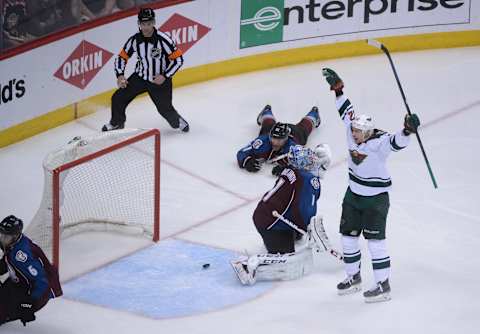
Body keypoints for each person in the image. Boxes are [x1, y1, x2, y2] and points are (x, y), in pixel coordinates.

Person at [322, 68, 421, 303]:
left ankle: (382, 285)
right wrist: (338, 90)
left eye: (358, 132)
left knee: (376, 243)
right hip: (353, 195)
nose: (354, 134)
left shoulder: (380, 141)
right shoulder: (351, 130)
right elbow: (346, 111)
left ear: (367, 132)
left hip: (375, 199)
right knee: (347, 238)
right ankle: (353, 277)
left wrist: (407, 129)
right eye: (354, 130)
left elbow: (396, 141)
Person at [231, 144, 334, 285]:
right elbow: (305, 211)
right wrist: (309, 229)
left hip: (266, 214)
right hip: (271, 223)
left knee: (298, 237)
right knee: (288, 262)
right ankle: (248, 264)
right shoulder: (309, 179)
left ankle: (287, 238)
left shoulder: (292, 170)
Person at [102, 7, 189, 132]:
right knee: (117, 98)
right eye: (143, 24)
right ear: (139, 24)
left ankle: (178, 121)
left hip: (159, 81)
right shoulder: (134, 40)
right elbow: (122, 57)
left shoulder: (164, 40)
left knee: (165, 110)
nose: (146, 27)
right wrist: (120, 75)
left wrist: (164, 76)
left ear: (154, 23)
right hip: (140, 78)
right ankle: (117, 123)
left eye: (149, 24)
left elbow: (178, 60)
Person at [0, 215, 62, 326]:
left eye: (6, 237)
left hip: (36, 292)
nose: (2, 239)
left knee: (4, 310)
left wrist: (29, 304)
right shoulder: (13, 244)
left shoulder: (22, 255)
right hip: (20, 283)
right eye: (1, 235)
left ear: (15, 236)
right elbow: (7, 262)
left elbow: (42, 282)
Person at [237, 104, 321, 176]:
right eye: (273, 139)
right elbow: (241, 153)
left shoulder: (293, 147)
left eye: (279, 140)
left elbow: (308, 164)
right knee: (267, 124)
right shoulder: (262, 141)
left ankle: (314, 113)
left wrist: (286, 170)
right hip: (270, 131)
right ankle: (266, 111)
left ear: (286, 139)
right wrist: (247, 161)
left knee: (304, 128)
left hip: (294, 133)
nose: (275, 143)